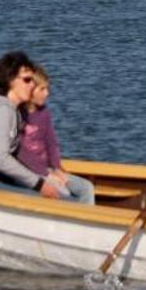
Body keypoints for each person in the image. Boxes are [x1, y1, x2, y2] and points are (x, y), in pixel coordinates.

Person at [0, 51, 63, 200]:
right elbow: (1, 159)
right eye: (27, 80)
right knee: (60, 200)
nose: (32, 85)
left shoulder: (11, 110)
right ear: (10, 80)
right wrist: (39, 184)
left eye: (33, 80)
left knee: (57, 192)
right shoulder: (3, 110)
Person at [15, 66, 95, 204]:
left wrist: (57, 169)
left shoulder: (44, 112)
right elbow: (22, 153)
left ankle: (86, 221)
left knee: (86, 188)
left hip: (48, 169)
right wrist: (48, 174)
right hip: (30, 172)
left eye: (47, 89)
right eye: (42, 89)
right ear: (30, 90)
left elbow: (51, 143)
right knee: (63, 192)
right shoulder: (17, 115)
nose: (47, 93)